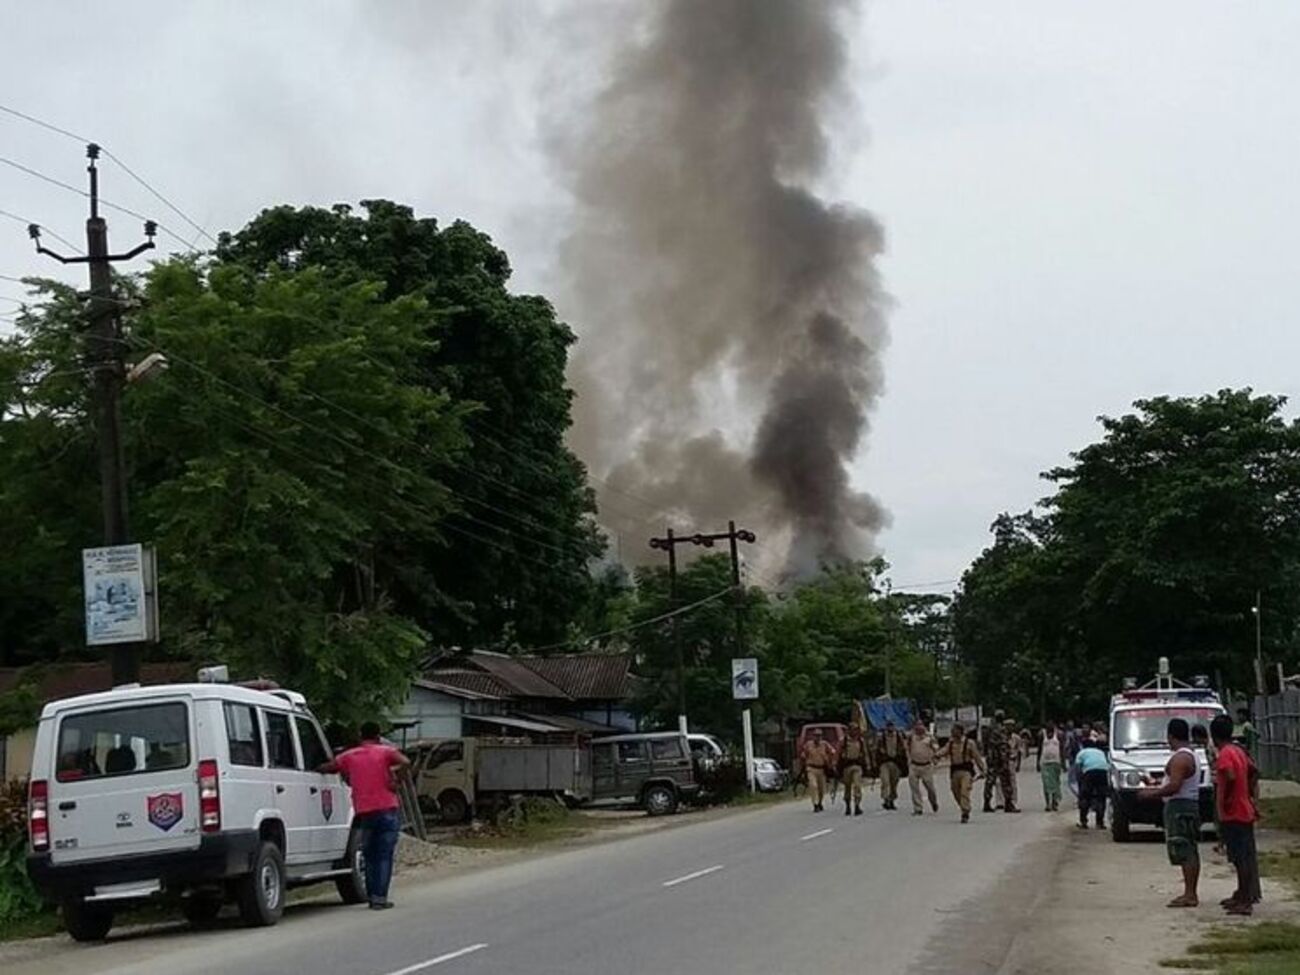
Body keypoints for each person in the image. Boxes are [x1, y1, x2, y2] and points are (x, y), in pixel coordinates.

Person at [319, 721, 411, 910]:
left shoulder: (349, 756)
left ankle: (371, 897)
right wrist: (396, 782)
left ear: (361, 735)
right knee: (384, 855)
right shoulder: (385, 752)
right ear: (378, 736)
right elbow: (406, 762)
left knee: (369, 855)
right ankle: (380, 897)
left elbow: (330, 767)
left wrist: (316, 769)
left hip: (365, 812)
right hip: (387, 808)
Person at [1137, 718, 1201, 909]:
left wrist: (1150, 795)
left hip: (1180, 807)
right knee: (1187, 848)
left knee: (1185, 848)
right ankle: (1190, 892)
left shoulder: (1181, 758)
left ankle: (1190, 894)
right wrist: (1154, 783)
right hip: (1185, 804)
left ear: (1170, 735)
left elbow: (1174, 786)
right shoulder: (1190, 755)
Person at [1211, 714, 1261, 915]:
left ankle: (1245, 899)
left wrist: (1227, 800)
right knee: (1243, 856)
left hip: (1234, 813)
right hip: (1244, 809)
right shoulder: (1239, 751)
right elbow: (1254, 771)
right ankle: (1242, 893)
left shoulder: (1224, 754)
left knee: (1240, 858)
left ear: (1214, 736)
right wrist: (1248, 793)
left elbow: (1229, 776)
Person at [940, 723, 986, 823]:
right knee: (955, 791)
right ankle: (963, 806)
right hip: (955, 770)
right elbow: (944, 751)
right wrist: (936, 755)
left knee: (965, 791)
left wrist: (982, 769)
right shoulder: (951, 743)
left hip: (966, 771)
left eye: (954, 730)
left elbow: (977, 757)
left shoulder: (969, 743)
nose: (952, 732)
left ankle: (965, 812)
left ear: (960, 731)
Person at [983, 711, 1019, 813]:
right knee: (1006, 782)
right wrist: (1004, 761)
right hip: (999, 759)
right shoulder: (1001, 730)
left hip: (991, 759)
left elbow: (986, 745)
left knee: (989, 782)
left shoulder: (989, 729)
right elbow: (1003, 746)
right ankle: (1008, 804)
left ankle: (987, 803)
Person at [906, 719, 940, 815]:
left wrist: (936, 759)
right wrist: (908, 759)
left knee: (930, 788)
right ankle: (918, 808)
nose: (919, 727)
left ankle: (933, 802)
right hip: (914, 765)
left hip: (926, 766)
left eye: (920, 725)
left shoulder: (929, 737)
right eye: (917, 725)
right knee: (914, 788)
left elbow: (936, 749)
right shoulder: (911, 736)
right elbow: (907, 747)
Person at [1074, 736, 1109, 829]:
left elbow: (1078, 769)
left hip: (1089, 772)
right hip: (1103, 772)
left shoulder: (1081, 753)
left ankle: (1083, 822)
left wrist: (1080, 783)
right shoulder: (1100, 752)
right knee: (1101, 798)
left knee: (1085, 797)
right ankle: (1100, 823)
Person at [838, 725, 871, 816]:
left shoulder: (860, 741)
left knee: (857, 786)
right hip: (846, 766)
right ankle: (848, 805)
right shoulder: (843, 741)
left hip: (857, 766)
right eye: (852, 729)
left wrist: (868, 765)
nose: (854, 731)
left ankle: (857, 805)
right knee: (847, 787)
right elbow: (838, 754)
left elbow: (865, 753)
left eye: (855, 730)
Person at [801, 728, 836, 813]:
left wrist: (830, 761)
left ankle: (820, 802)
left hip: (822, 769)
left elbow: (833, 752)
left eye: (819, 736)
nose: (817, 737)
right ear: (813, 736)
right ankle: (815, 804)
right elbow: (803, 755)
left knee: (821, 789)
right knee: (813, 786)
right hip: (811, 768)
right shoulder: (809, 744)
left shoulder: (825, 744)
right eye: (816, 735)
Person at [876, 720, 908, 811]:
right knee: (885, 782)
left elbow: (903, 749)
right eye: (888, 726)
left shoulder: (898, 737)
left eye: (891, 726)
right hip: (885, 763)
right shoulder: (881, 738)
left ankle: (892, 799)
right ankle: (886, 800)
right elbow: (876, 750)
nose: (890, 728)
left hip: (896, 763)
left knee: (894, 783)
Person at [1038, 721, 1065, 812]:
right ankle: (1047, 804)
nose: (1050, 732)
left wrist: (1063, 763)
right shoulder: (1042, 735)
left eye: (1051, 730)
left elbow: (1062, 749)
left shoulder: (1059, 735)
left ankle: (1054, 802)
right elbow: (1039, 749)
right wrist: (1037, 762)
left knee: (1056, 784)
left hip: (1056, 762)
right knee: (1046, 784)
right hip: (1045, 763)